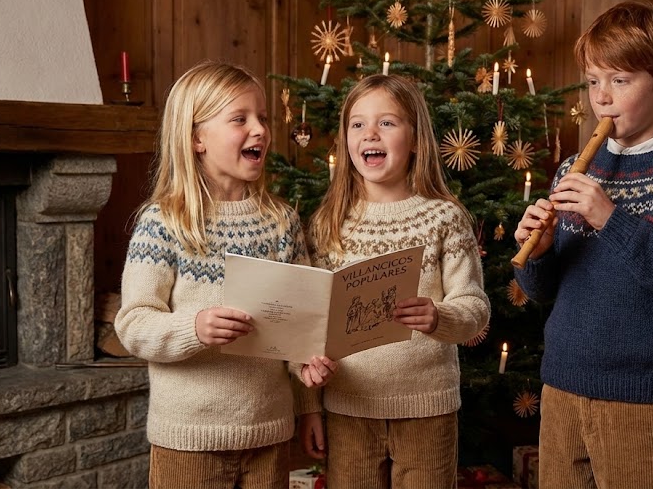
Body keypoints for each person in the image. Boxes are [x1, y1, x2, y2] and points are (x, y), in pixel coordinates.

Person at [513, 0, 653, 489]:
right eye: (593, 81)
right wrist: (539, 251)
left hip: (641, 398)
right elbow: (546, 290)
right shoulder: (573, 168)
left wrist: (612, 219)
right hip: (563, 385)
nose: (602, 98)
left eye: (620, 80)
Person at [115, 61, 336, 489]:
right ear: (197, 137)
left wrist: (310, 403)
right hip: (188, 441)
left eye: (263, 118)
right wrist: (193, 327)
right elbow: (133, 323)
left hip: (270, 433)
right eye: (240, 119)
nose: (260, 130)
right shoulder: (164, 223)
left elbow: (302, 326)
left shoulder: (282, 222)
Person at [297, 74, 491, 489]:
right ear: (346, 141)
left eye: (387, 123)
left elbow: (474, 307)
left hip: (427, 408)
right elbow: (309, 325)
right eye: (358, 124)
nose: (371, 133)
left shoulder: (444, 218)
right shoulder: (327, 225)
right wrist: (310, 406)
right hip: (348, 408)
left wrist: (439, 316)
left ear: (416, 139)